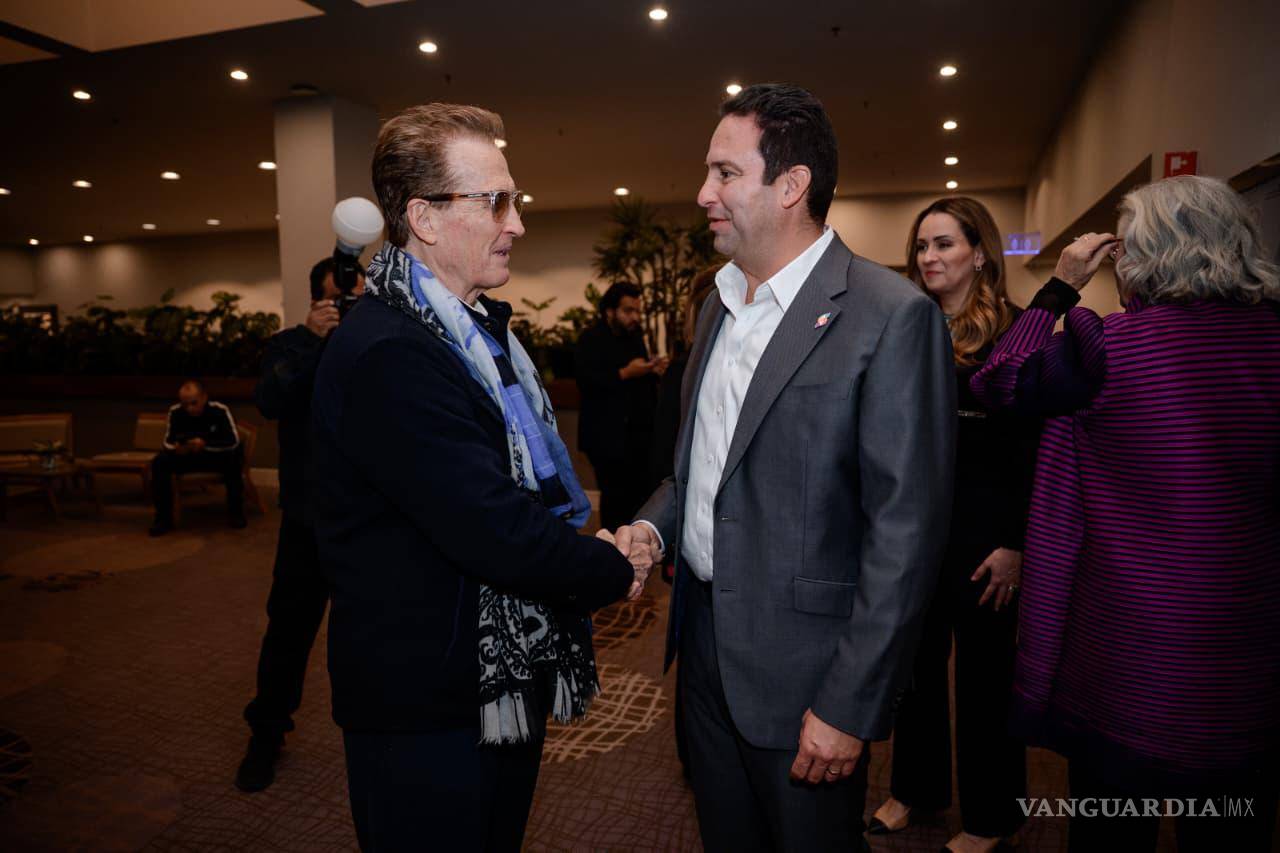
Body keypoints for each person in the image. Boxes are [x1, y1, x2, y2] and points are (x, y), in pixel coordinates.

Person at [613, 83, 957, 852]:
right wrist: (649, 527)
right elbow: (704, 467)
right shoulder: (716, 305)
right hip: (701, 648)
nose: (704, 193)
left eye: (725, 173)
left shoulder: (890, 315)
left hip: (809, 673)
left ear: (791, 185)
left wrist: (849, 702)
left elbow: (906, 535)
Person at [311, 102, 642, 852]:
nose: (517, 221)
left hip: (489, 678)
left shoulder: (474, 334)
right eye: (495, 200)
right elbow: (492, 523)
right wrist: (609, 565)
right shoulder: (392, 353)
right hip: (425, 701)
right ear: (423, 218)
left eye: (514, 197)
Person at [971, 175, 1280, 852]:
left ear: (1145, 253)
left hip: (1129, 645)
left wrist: (1062, 287)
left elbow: (1000, 378)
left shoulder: (1110, 348)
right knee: (1232, 824)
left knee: (1116, 823)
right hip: (1246, 638)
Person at [868, 198, 1038, 853]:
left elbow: (1033, 447)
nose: (928, 258)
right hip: (912, 533)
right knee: (913, 668)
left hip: (987, 535)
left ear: (979, 252)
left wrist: (1017, 542)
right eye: (921, 247)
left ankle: (993, 814)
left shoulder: (1018, 332)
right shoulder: (905, 324)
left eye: (943, 244)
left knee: (987, 679)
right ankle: (915, 788)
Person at [234, 258, 364, 793]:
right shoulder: (291, 344)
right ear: (318, 300)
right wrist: (315, 341)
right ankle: (266, 734)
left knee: (370, 638)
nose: (351, 308)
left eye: (359, 297)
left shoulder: (374, 346)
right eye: (342, 300)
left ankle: (379, 742)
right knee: (288, 634)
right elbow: (270, 401)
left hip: (368, 524)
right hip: (308, 521)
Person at [575, 281, 668, 530]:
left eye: (637, 311)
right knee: (615, 501)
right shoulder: (590, 339)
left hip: (637, 437)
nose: (634, 317)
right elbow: (587, 382)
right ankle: (613, 554)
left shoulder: (635, 337)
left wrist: (653, 370)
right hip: (606, 439)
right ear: (610, 311)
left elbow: (640, 382)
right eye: (628, 311)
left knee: (638, 499)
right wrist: (625, 373)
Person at [149, 379, 243, 535]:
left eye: (194, 403)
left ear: (204, 397)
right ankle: (163, 519)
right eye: (185, 404)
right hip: (188, 457)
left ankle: (236, 513)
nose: (189, 408)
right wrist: (179, 448)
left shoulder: (219, 410)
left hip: (213, 455)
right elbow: (167, 442)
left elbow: (233, 441)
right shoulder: (176, 412)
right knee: (160, 462)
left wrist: (204, 444)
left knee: (233, 460)